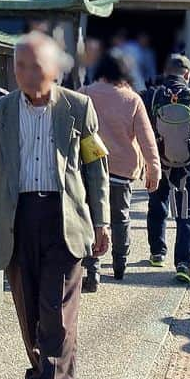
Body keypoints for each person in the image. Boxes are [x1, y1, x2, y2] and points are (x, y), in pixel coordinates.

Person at [0, 32, 109, 379]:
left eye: (34, 66)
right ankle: (39, 376)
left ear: (54, 68)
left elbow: (96, 170)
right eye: (19, 66)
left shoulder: (79, 108)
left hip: (64, 219)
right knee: (29, 308)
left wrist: (102, 222)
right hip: (17, 220)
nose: (26, 74)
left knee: (58, 310)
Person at [81, 48, 162, 284]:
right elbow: (147, 138)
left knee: (92, 218)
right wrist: (153, 168)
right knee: (120, 219)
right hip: (122, 173)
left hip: (90, 169)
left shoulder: (85, 94)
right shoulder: (132, 99)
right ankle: (119, 265)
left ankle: (92, 269)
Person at [144, 54, 190, 284]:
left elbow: (142, 129)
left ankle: (157, 253)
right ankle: (183, 263)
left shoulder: (153, 96)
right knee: (187, 213)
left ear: (166, 73)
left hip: (159, 161)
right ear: (187, 74)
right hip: (189, 164)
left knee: (157, 204)